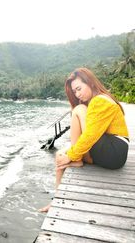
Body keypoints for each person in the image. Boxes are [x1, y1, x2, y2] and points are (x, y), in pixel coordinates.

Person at [39, 67, 129, 213]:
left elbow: (90, 136)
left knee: (79, 109)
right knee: (59, 156)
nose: (78, 94)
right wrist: (69, 155)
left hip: (115, 150)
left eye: (79, 88)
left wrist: (71, 155)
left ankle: (77, 159)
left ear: (90, 83)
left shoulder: (99, 101)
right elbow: (91, 135)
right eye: (75, 92)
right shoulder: (97, 100)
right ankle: (55, 201)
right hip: (115, 152)